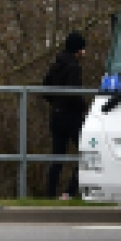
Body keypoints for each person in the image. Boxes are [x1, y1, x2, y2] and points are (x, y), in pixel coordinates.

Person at [42, 31, 87, 200]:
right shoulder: (74, 67)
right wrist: (84, 107)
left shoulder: (56, 63)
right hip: (72, 117)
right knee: (86, 153)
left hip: (56, 115)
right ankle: (69, 191)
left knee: (58, 157)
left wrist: (55, 102)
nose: (84, 52)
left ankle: (50, 194)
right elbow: (74, 94)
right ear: (77, 49)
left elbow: (45, 88)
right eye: (83, 49)